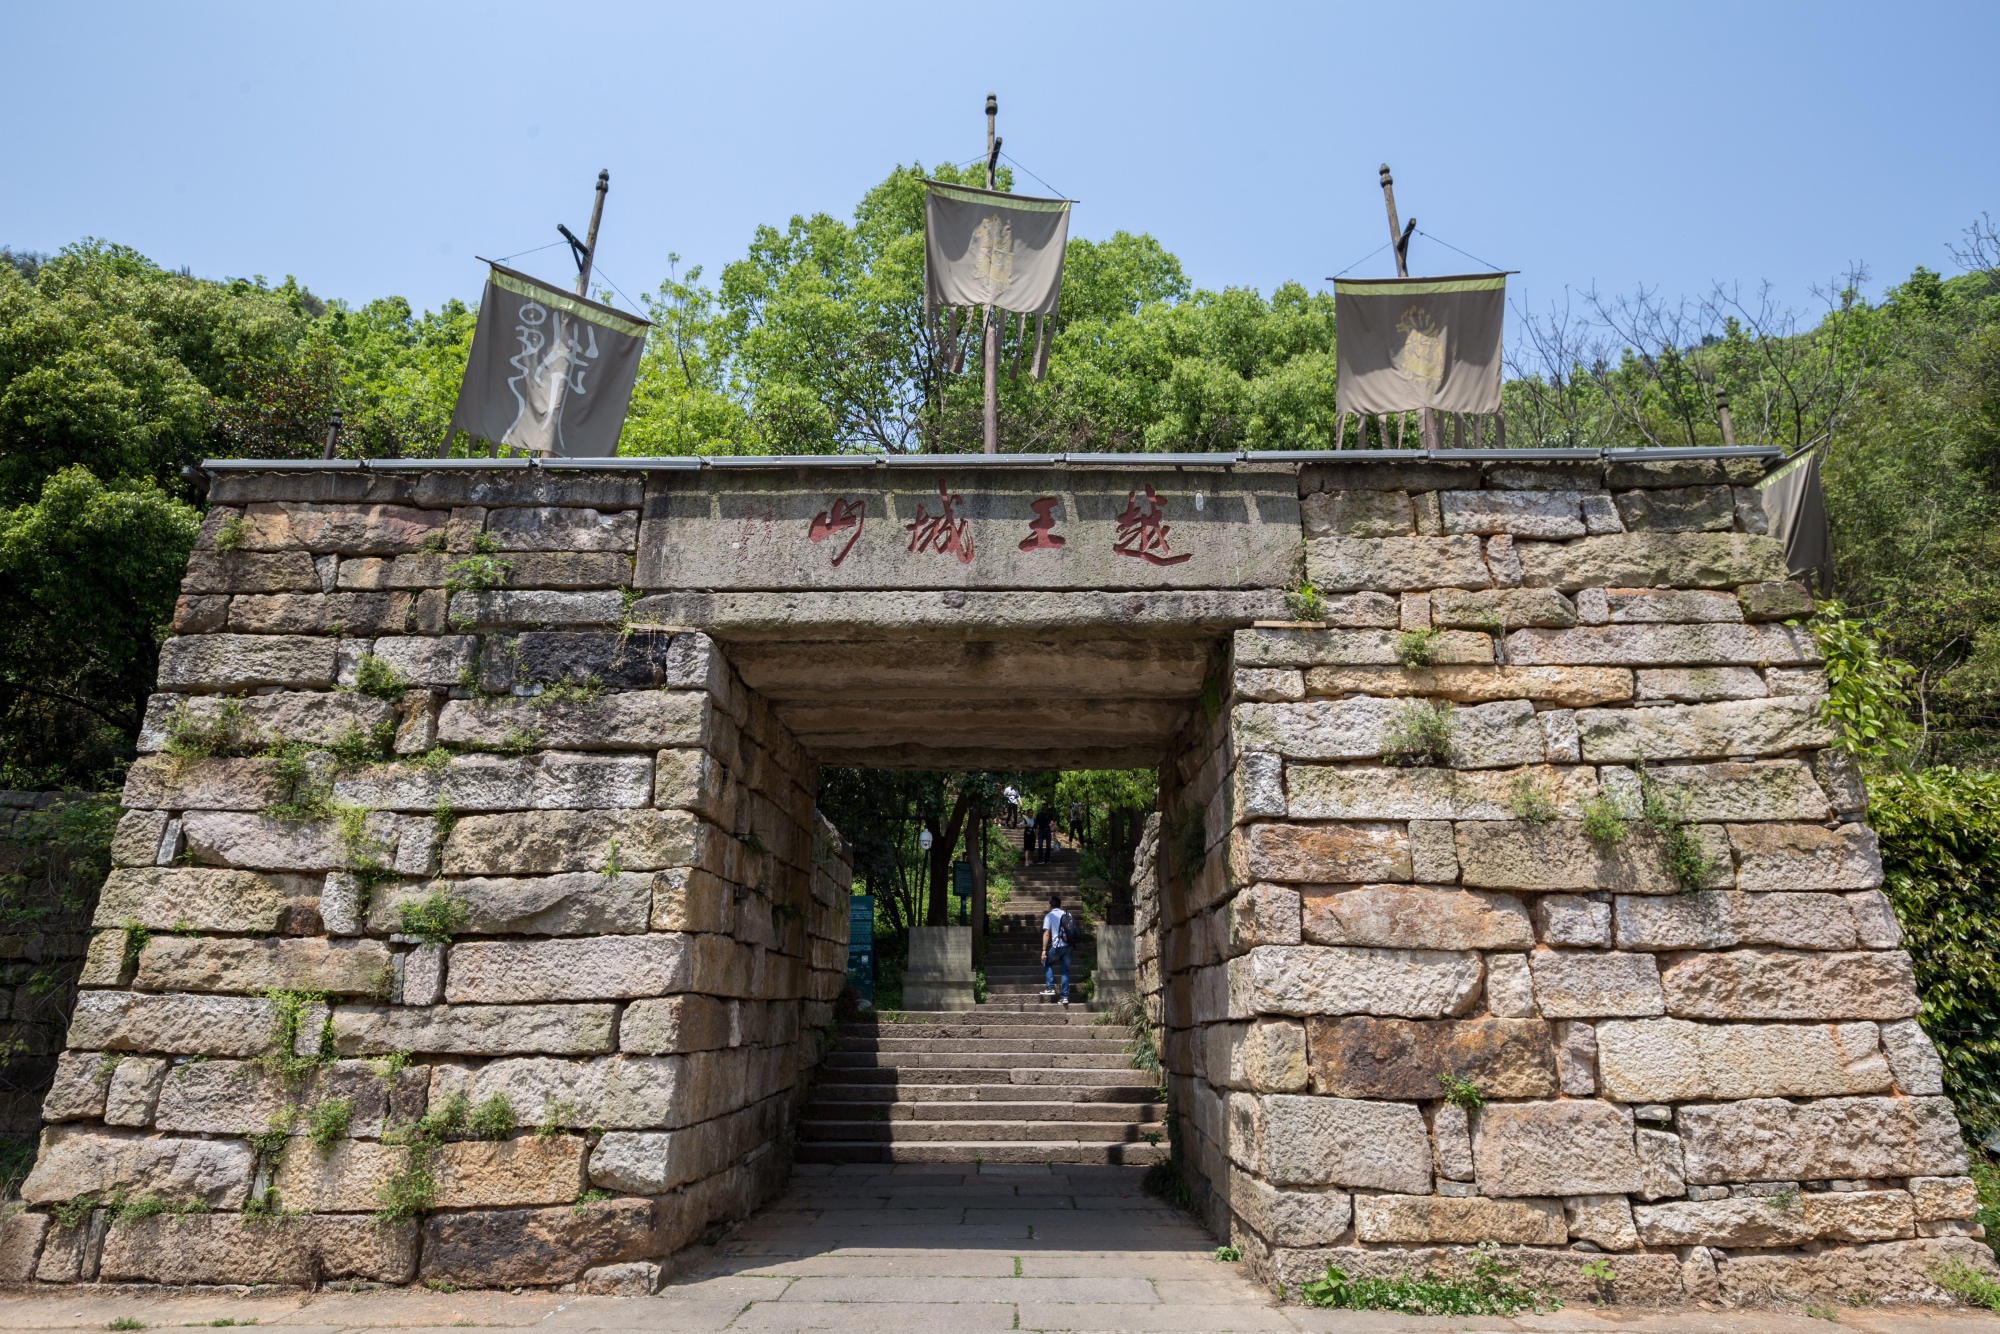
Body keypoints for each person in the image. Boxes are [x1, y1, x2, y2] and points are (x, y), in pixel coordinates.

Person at [1041, 892, 1074, 1006]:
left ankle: (1050, 987)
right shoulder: (1067, 914)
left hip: (1057, 946)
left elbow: (1046, 933)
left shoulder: (1049, 916)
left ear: (1050, 904)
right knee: (1065, 971)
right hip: (1068, 946)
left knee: (1046, 962)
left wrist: (1044, 950)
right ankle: (1064, 997)